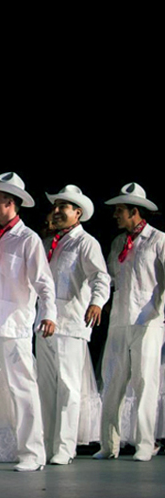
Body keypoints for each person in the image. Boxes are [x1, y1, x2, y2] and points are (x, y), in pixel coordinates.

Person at [0, 172, 56, 472]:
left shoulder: (28, 240)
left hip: (13, 325)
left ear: (9, 202)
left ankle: (32, 453)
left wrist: (48, 314)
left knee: (23, 389)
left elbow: (44, 283)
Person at [37, 185, 109, 465]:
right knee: (45, 386)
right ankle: (46, 444)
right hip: (45, 321)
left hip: (70, 322)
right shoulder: (48, 242)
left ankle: (65, 448)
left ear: (77, 213)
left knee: (68, 387)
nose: (56, 211)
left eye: (63, 207)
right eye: (55, 206)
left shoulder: (85, 242)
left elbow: (100, 277)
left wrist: (97, 302)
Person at [94, 183, 165, 462]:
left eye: (119, 211)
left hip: (148, 320)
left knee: (144, 381)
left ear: (134, 211)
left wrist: (159, 312)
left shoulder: (158, 239)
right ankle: (108, 445)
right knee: (112, 381)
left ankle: (145, 444)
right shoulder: (117, 242)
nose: (115, 216)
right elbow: (111, 277)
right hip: (120, 320)